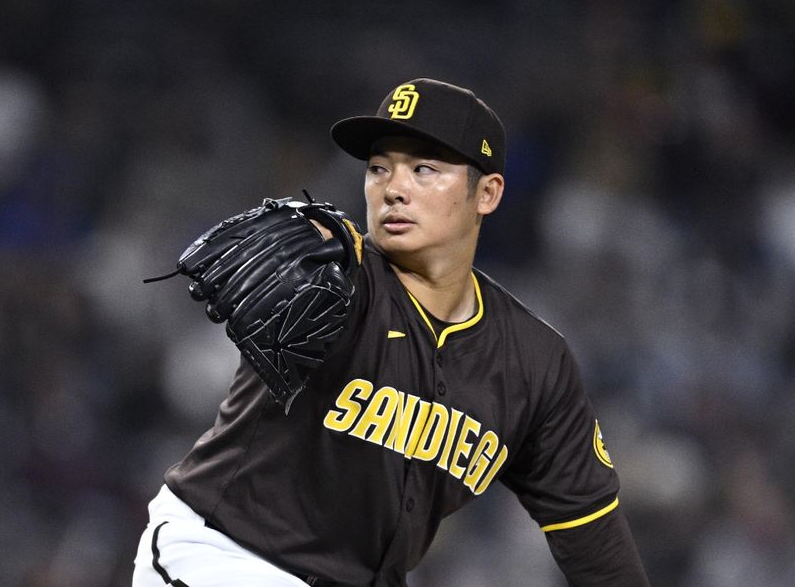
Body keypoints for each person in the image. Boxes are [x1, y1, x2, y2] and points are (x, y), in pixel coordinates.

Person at [132, 78, 650, 586]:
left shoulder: (535, 363)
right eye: (379, 168)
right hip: (222, 556)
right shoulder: (338, 277)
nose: (393, 189)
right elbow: (322, 251)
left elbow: (593, 540)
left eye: (424, 169)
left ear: (487, 194)